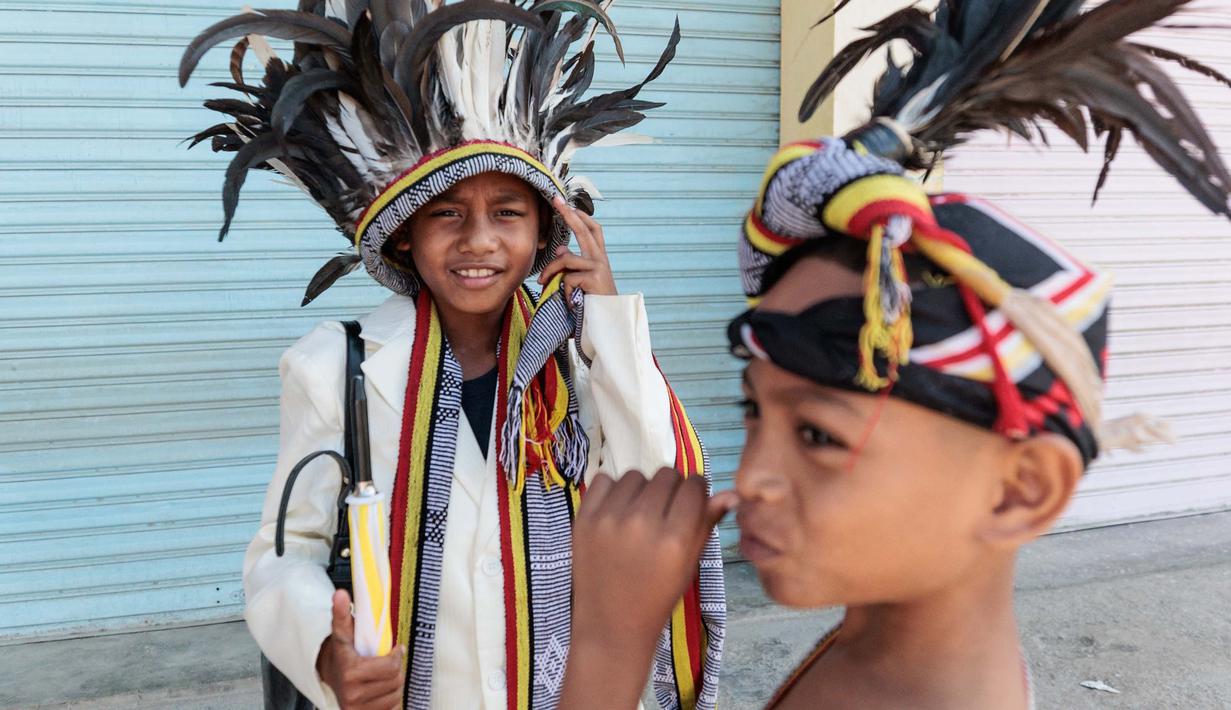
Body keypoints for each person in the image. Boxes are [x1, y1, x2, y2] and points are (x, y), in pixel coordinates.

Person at [556, 1, 1231, 708]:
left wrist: (611, 640)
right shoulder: (874, 648)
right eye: (753, 410)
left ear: (1019, 488)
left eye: (818, 433)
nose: (748, 477)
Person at [178, 4, 724, 710]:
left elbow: (661, 488)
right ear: (403, 236)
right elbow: (285, 554)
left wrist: (611, 325)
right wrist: (324, 649)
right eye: (445, 214)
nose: (478, 241)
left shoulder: (580, 363)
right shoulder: (336, 366)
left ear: (543, 233)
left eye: (507, 212)